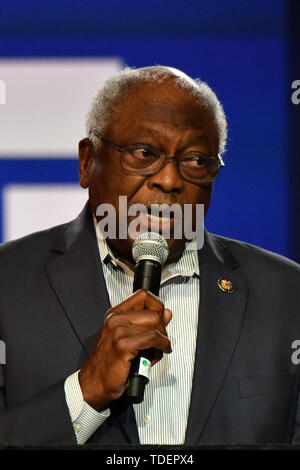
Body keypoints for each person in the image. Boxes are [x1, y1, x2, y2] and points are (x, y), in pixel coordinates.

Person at [1, 65, 300, 446]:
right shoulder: (7, 284)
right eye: (144, 153)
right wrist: (85, 392)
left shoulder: (288, 295)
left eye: (195, 160)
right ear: (87, 161)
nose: (170, 180)